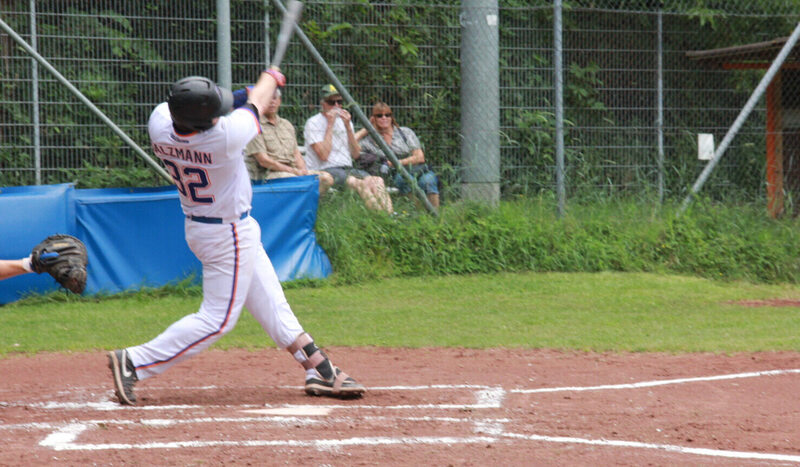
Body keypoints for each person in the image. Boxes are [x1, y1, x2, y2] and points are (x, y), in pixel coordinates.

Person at [106, 68, 365, 406]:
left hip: (206, 225)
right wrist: (271, 75)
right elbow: (256, 101)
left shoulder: (160, 121)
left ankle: (318, 366)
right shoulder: (224, 138)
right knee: (218, 320)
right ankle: (135, 362)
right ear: (205, 120)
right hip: (226, 232)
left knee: (271, 299)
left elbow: (243, 101)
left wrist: (254, 89)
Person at [303, 84, 393, 213]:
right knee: (361, 184)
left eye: (339, 102)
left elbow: (356, 154)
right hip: (326, 170)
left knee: (377, 180)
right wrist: (330, 124)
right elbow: (323, 156)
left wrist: (348, 127)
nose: (336, 106)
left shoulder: (345, 122)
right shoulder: (313, 123)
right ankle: (382, 218)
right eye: (331, 102)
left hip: (347, 168)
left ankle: (391, 216)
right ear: (322, 103)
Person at [244, 88, 334, 195]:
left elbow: (296, 153)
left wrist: (303, 172)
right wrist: (294, 172)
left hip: (292, 172)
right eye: (268, 99)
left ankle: (305, 207)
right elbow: (264, 160)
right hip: (269, 175)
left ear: (279, 101)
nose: (272, 102)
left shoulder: (287, 125)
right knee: (296, 181)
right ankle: (301, 206)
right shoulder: (254, 126)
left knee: (326, 178)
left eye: (274, 99)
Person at [355, 102, 440, 208]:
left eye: (387, 115)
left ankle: (435, 215)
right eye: (379, 115)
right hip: (393, 174)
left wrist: (396, 163)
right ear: (373, 119)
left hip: (415, 168)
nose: (384, 118)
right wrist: (366, 128)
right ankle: (420, 215)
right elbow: (351, 146)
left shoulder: (405, 133)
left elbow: (420, 157)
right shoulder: (369, 140)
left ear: (392, 117)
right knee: (403, 180)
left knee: (429, 181)